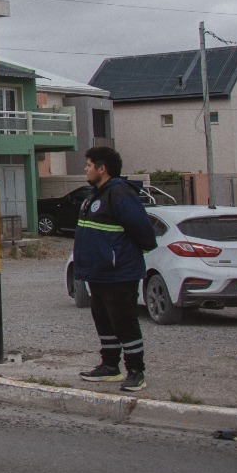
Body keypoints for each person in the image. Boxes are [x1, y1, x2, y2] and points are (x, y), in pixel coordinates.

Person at [73, 146, 155, 393]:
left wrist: (119, 256)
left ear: (102, 169)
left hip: (118, 273)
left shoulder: (120, 193)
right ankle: (110, 366)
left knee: (124, 322)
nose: (85, 169)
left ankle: (136, 371)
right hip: (98, 272)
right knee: (104, 320)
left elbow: (142, 230)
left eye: (89, 165)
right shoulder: (95, 195)